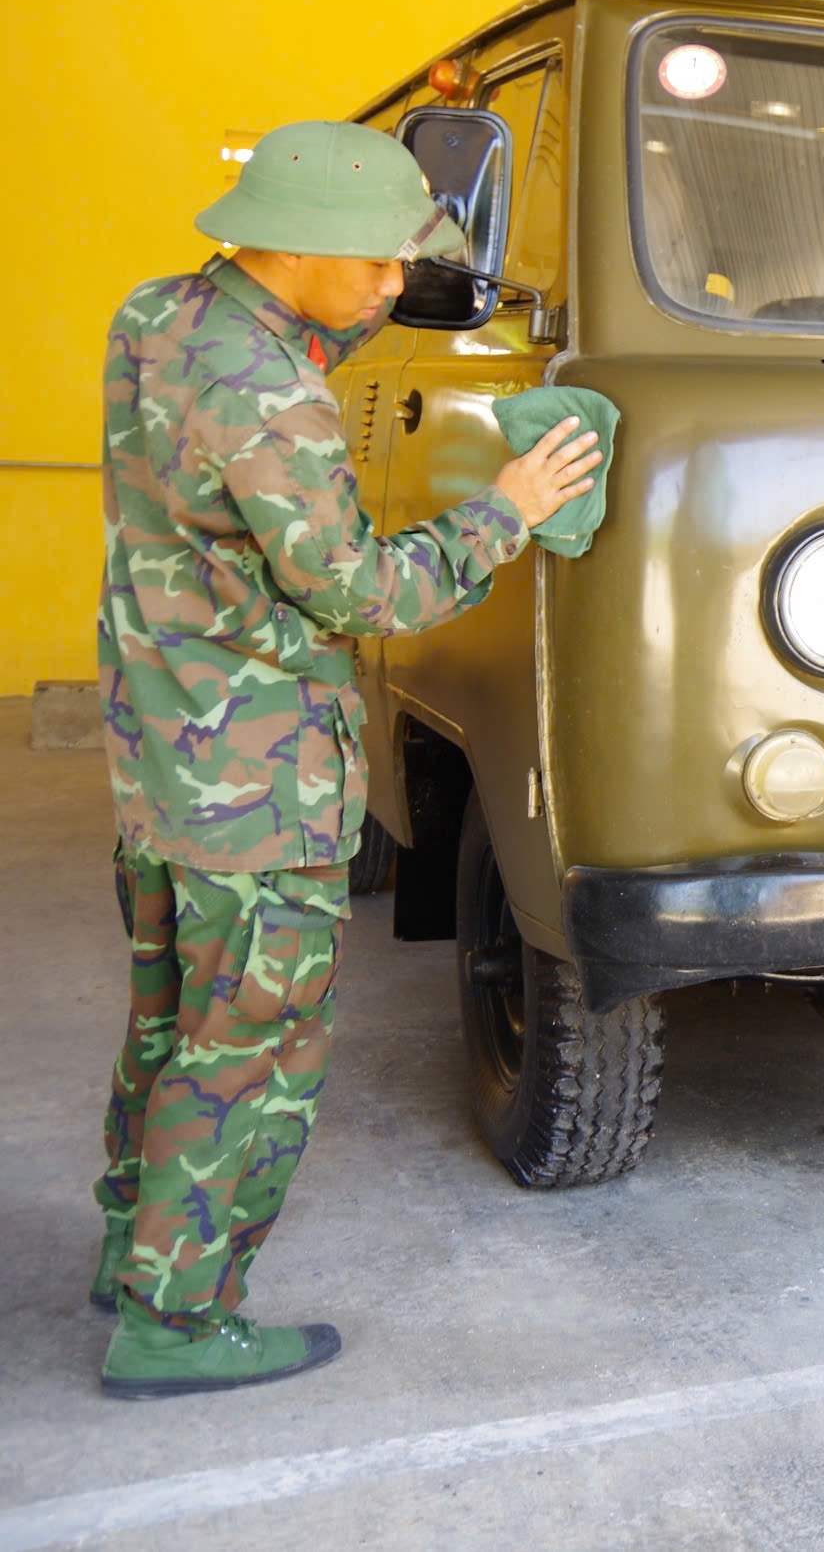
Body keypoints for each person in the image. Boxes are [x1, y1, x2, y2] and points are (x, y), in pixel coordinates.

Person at [91, 120, 601, 1398]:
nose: (391, 287)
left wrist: (356, 319)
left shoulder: (159, 316)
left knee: (173, 1021)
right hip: (256, 780)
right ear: (291, 248)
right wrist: (507, 509)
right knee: (248, 1051)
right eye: (375, 264)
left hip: (162, 753)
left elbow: (292, 351)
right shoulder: (272, 400)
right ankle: (175, 1321)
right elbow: (364, 590)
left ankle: (130, 1247)